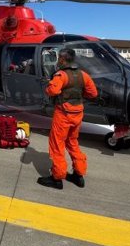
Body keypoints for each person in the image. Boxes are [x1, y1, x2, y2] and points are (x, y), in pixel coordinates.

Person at [38, 48, 98, 190]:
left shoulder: (61, 75)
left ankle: (57, 178)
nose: (58, 60)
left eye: (59, 58)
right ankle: (79, 175)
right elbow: (93, 93)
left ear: (63, 60)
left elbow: (52, 91)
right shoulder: (83, 75)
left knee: (57, 144)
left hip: (63, 114)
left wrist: (51, 86)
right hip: (78, 113)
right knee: (72, 142)